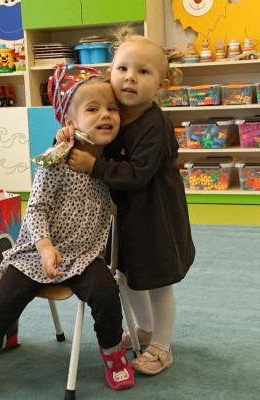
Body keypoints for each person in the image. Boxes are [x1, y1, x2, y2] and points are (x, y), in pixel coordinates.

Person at [0, 64, 134, 400]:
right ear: (69, 123)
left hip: (85, 255)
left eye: (112, 108)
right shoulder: (55, 160)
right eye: (93, 109)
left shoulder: (114, 162)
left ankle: (113, 352)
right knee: (0, 302)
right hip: (35, 253)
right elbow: (36, 208)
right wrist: (44, 248)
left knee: (105, 293)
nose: (106, 115)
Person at [57, 28, 196, 376]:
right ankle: (144, 330)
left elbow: (138, 173)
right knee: (128, 276)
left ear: (160, 86)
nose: (130, 77)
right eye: (122, 69)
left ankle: (161, 347)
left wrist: (95, 166)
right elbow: (88, 132)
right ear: (110, 73)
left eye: (142, 71)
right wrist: (69, 134)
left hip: (157, 217)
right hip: (125, 217)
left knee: (158, 283)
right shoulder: (113, 110)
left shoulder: (154, 125)